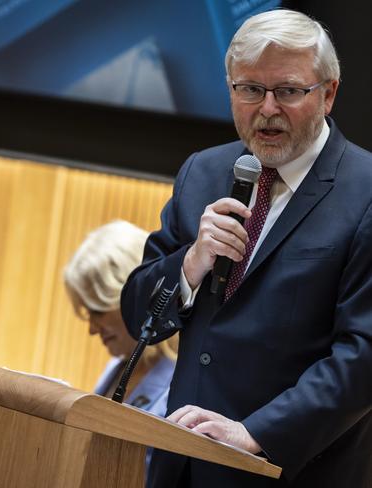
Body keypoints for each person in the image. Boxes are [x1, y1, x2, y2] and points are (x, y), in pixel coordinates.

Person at [120, 9, 372, 488]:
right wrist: (190, 265)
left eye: (289, 91)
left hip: (290, 469)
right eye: (250, 89)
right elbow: (137, 314)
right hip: (183, 467)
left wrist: (254, 432)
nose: (268, 108)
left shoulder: (366, 193)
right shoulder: (203, 172)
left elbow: (363, 355)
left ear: (329, 93)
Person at [64, 220, 176, 417]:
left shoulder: (181, 382)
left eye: (97, 311)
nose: (92, 330)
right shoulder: (115, 369)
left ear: (134, 296)